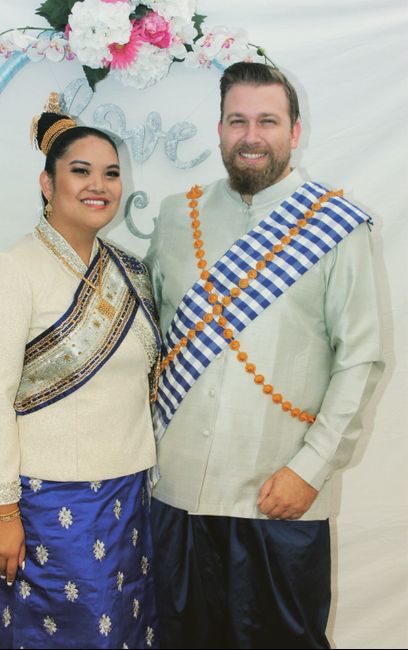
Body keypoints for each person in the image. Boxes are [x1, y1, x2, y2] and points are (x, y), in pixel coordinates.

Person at [145, 62, 384, 649]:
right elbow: (147, 341)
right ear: (220, 129)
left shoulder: (337, 227)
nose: (252, 135)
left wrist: (310, 469)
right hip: (174, 496)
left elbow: (364, 360)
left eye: (268, 121)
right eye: (238, 121)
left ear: (294, 131)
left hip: (279, 494)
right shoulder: (179, 216)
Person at [0, 92, 161, 650]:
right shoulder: (8, 272)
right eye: (81, 171)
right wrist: (2, 510)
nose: (98, 185)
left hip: (130, 496)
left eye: (111, 173)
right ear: (47, 184)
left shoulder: (130, 271)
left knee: (129, 633)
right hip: (51, 505)